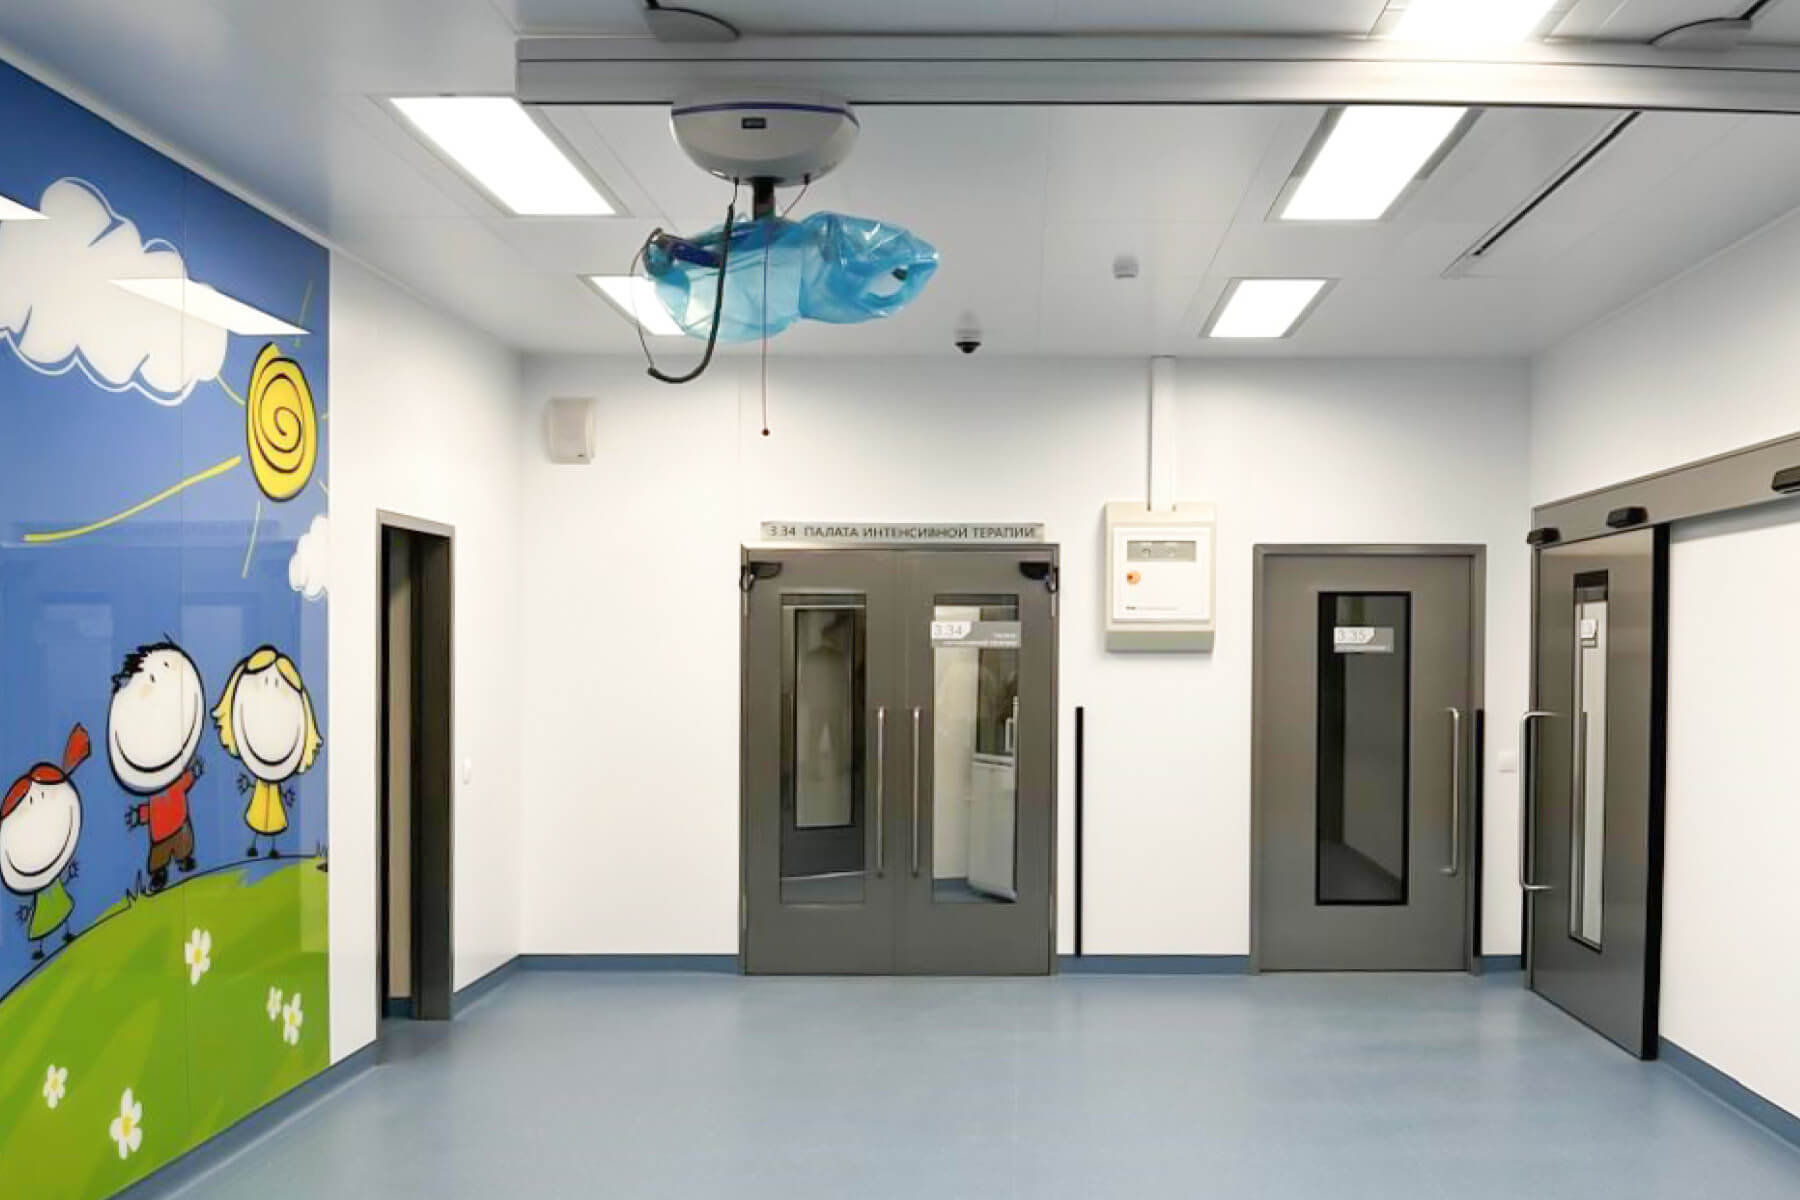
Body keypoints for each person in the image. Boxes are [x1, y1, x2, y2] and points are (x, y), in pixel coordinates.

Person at [109, 642, 207, 893]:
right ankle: (160, 874)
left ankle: (184, 860)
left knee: (183, 844)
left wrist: (194, 773)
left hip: (179, 823)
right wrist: (138, 816)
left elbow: (185, 783)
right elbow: (151, 810)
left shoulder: (172, 780)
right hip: (161, 831)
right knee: (159, 855)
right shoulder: (154, 786)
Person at [214, 646, 321, 859]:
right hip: (261, 797)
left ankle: (271, 847)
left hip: (272, 800)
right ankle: (254, 845)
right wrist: (249, 784)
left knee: (272, 823)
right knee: (259, 821)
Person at [1, 726, 89, 960]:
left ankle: (63, 935)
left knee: (59, 912)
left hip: (53, 895)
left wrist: (68, 873)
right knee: (43, 922)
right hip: (43, 902)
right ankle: (40, 947)